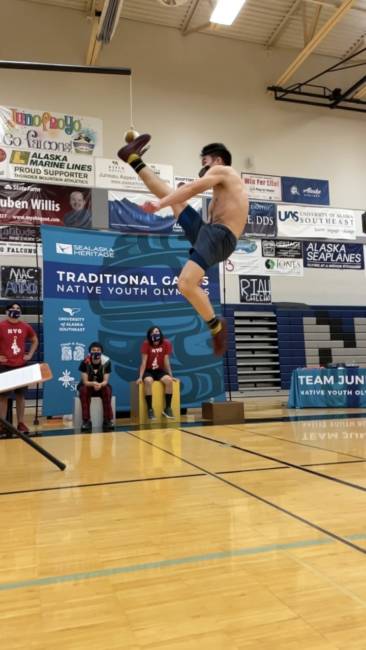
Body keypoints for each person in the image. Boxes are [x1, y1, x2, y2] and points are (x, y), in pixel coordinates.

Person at [118, 134, 248, 355]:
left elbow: (192, 189)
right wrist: (166, 198)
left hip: (220, 236)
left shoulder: (224, 170)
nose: (203, 166)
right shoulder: (222, 187)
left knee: (185, 284)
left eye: (204, 160)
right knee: (168, 192)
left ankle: (216, 327)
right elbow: (179, 193)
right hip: (209, 232)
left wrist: (160, 204)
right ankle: (133, 160)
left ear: (217, 159)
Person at [0, 302, 38, 436]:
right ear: (7, 311)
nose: (15, 310)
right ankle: (2, 424)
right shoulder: (1, 325)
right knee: (3, 396)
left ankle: (21, 423)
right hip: (5, 366)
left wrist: (30, 354)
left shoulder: (25, 326)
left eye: (18, 309)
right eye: (13, 308)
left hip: (21, 365)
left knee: (20, 396)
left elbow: (34, 340)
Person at [137, 326, 175, 420]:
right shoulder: (146, 344)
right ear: (150, 335)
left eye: (157, 331)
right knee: (148, 381)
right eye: (153, 332)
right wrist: (140, 377)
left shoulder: (166, 343)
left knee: (169, 381)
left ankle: (167, 408)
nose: (156, 333)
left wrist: (171, 375)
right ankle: (150, 409)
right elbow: (144, 362)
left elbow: (166, 361)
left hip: (160, 371)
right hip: (149, 370)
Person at [78, 342, 114, 432]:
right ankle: (86, 421)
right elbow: (85, 382)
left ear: (101, 352)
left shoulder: (107, 362)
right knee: (84, 390)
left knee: (107, 390)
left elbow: (106, 381)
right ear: (89, 352)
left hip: (101, 385)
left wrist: (100, 384)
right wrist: (93, 383)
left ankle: (107, 420)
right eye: (93, 350)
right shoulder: (85, 362)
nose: (96, 352)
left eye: (98, 350)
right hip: (88, 385)